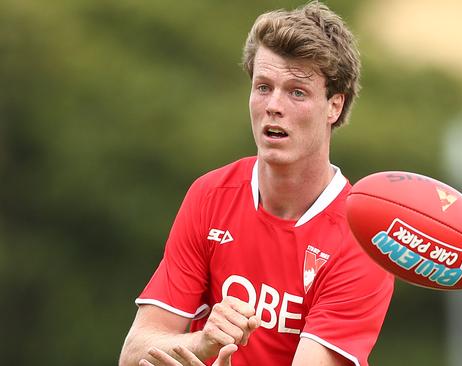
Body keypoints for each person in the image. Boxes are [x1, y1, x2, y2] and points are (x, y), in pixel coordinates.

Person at [118, 2, 394, 366]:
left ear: (334, 106)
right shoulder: (210, 195)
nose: (274, 105)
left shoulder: (361, 236)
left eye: (297, 92)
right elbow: (133, 352)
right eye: (263, 87)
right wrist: (200, 344)